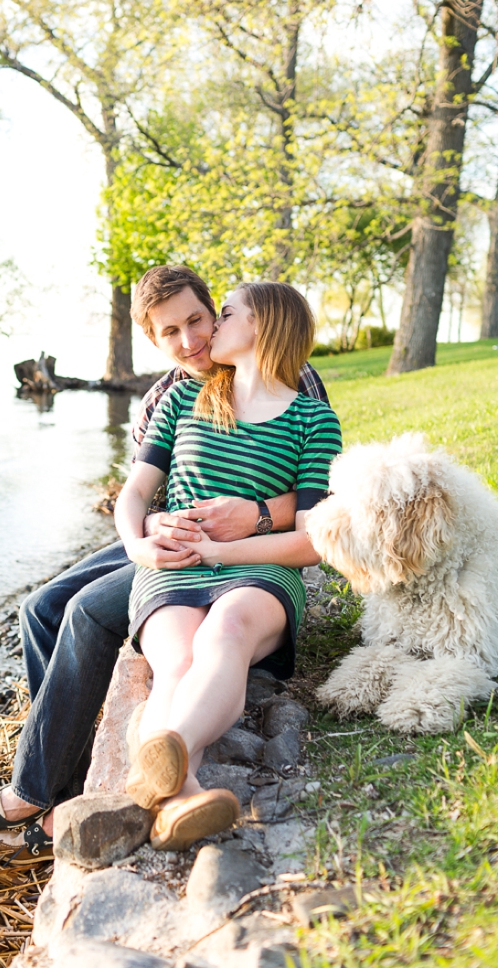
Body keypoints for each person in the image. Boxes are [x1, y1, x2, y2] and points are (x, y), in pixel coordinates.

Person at [0, 266, 329, 864]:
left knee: (87, 614)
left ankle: (37, 795)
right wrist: (143, 537)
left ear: (217, 312)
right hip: (171, 536)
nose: (191, 340)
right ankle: (60, 782)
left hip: (242, 544)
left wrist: (247, 517)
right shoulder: (167, 396)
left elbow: (314, 500)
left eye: (201, 320)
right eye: (171, 332)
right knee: (40, 607)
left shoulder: (294, 378)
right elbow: (143, 494)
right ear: (154, 340)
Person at [117, 282, 342, 851]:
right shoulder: (179, 401)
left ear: (262, 326)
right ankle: (180, 795)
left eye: (224, 314)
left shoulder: (314, 420)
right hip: (173, 567)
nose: (210, 328)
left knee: (228, 634)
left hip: (260, 570)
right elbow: (134, 494)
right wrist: (137, 545)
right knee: (177, 664)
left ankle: (166, 752)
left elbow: (310, 541)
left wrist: (221, 552)